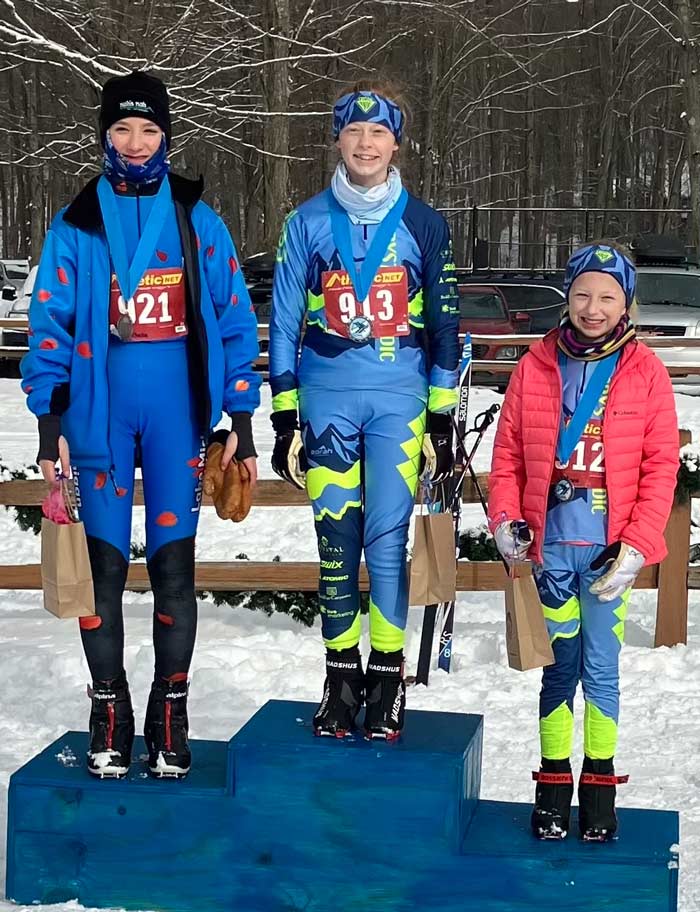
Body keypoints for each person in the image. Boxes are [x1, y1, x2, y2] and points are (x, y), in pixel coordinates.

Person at [22, 71, 260, 779]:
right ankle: (109, 707)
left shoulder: (196, 218)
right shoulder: (77, 222)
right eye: (122, 129)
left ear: (165, 134)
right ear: (104, 135)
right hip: (97, 416)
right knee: (101, 570)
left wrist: (242, 421)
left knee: (172, 571)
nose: (135, 142)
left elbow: (232, 317)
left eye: (149, 129)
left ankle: (169, 709)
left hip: (176, 416)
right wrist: (48, 424)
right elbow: (51, 326)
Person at [269, 80, 460, 740]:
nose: (366, 144)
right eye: (354, 132)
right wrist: (284, 412)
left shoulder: (425, 223)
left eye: (378, 133)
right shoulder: (308, 222)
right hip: (325, 398)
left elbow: (445, 322)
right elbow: (285, 316)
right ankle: (339, 675)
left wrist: (442, 413)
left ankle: (387, 678)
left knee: (386, 545)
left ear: (396, 143)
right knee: (333, 545)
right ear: (338, 140)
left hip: (398, 401)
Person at [488, 242, 678, 840]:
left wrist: (638, 545)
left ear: (626, 302)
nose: (593, 308)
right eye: (582, 295)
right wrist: (505, 518)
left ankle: (599, 787)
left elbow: (660, 464)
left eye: (607, 296)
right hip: (549, 550)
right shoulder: (537, 364)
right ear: (566, 298)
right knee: (558, 667)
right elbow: (510, 453)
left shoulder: (645, 371)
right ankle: (550, 785)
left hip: (607, 554)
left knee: (601, 669)